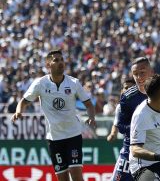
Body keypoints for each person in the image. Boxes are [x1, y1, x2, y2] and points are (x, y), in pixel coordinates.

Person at [11, 50, 96, 181]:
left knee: (76, 175)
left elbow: (89, 104)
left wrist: (91, 117)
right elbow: (23, 102)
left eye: (62, 59)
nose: (61, 62)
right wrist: (18, 112)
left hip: (73, 135)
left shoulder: (74, 83)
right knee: (62, 178)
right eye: (56, 60)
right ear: (48, 65)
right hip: (54, 138)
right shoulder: (40, 84)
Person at [107, 78, 136, 142]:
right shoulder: (120, 107)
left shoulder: (144, 103)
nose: (128, 90)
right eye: (126, 88)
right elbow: (116, 124)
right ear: (121, 91)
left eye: (131, 88)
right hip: (129, 142)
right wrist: (113, 134)